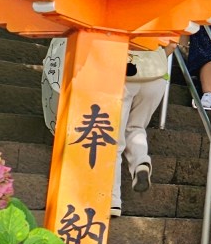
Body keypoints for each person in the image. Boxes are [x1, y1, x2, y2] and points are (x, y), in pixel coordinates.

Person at [40, 40, 169, 215]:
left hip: (123, 71)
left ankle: (112, 200)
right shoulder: (163, 15)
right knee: (136, 127)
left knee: (113, 137)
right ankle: (140, 162)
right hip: (156, 77)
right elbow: (173, 45)